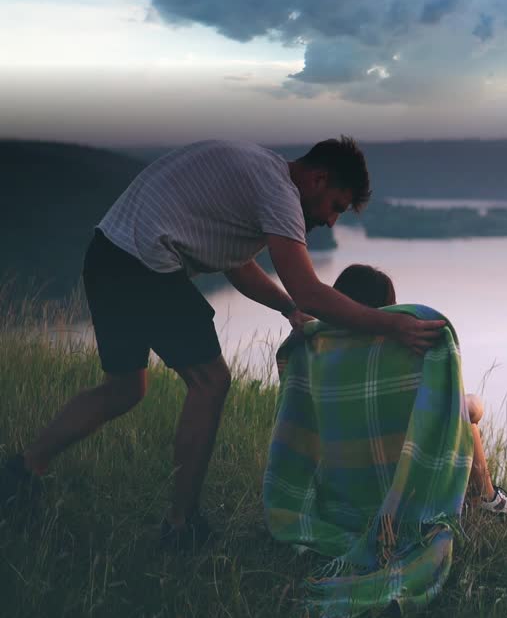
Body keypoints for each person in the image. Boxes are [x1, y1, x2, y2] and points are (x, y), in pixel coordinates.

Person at [0, 137, 446, 548]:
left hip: (108, 254)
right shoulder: (280, 192)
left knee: (126, 387)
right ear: (318, 178)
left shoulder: (259, 174)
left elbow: (239, 265)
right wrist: (389, 326)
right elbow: (311, 289)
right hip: (143, 265)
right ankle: (180, 525)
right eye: (335, 206)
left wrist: (288, 309)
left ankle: (22, 470)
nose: (330, 220)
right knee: (211, 382)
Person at [319, 264, 507, 517]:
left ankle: (486, 499)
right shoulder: (395, 358)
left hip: (340, 485)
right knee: (465, 418)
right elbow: (461, 409)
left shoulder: (321, 356)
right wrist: (474, 404)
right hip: (399, 481)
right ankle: (488, 499)